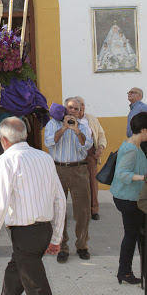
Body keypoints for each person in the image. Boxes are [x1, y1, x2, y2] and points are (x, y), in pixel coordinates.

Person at [0, 117, 66, 295]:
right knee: (14, 277)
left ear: (4, 140)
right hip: (43, 231)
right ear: (25, 134)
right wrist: (55, 237)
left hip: (25, 234)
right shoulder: (45, 157)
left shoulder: (6, 160)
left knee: (37, 288)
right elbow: (60, 200)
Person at [44, 97, 93, 263]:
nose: (72, 111)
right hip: (58, 169)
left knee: (83, 211)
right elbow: (50, 142)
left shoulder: (84, 126)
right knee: (59, 210)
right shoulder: (53, 124)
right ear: (65, 110)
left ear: (80, 112)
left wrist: (77, 130)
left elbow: (87, 145)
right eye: (69, 108)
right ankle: (62, 246)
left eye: (76, 109)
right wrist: (64, 128)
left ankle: (82, 245)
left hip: (79, 169)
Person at [110, 112, 147, 285]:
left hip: (130, 198)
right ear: (143, 129)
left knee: (132, 235)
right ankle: (124, 272)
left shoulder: (134, 144)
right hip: (129, 200)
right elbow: (122, 174)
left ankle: (124, 272)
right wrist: (143, 177)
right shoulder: (132, 149)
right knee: (131, 236)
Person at [75, 96, 107, 220]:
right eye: (79, 104)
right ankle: (80, 210)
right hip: (75, 153)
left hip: (90, 153)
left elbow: (101, 135)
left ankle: (94, 210)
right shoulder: (69, 120)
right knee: (78, 183)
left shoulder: (92, 119)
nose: (81, 107)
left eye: (83, 104)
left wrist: (100, 148)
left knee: (93, 181)